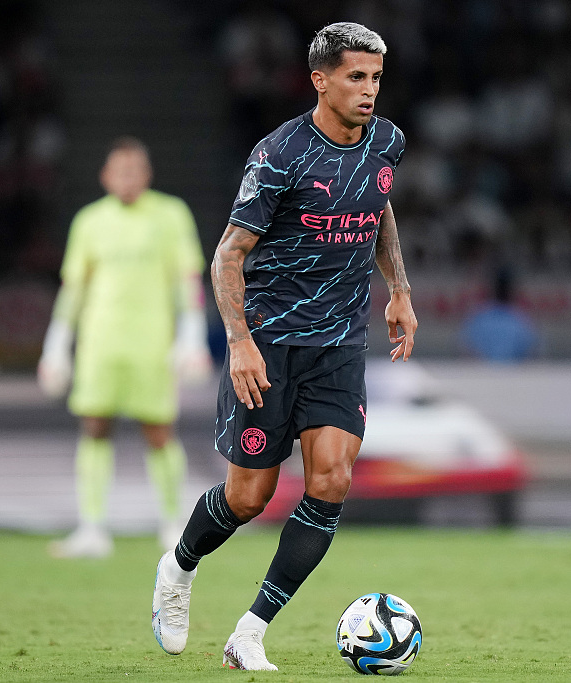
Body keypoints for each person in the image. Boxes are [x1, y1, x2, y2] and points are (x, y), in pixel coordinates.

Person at [151, 22, 417, 671]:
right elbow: (227, 257)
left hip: (337, 345)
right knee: (248, 497)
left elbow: (377, 203)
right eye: (356, 76)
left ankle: (250, 632)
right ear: (319, 79)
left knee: (331, 478)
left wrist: (399, 290)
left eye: (376, 77)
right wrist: (239, 342)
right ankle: (178, 567)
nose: (369, 91)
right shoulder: (280, 154)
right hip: (268, 345)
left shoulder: (386, 141)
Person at [37, 137, 212, 558]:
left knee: (159, 431)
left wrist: (191, 338)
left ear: (147, 175)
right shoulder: (89, 221)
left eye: (135, 170)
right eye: (120, 171)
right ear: (105, 176)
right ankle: (92, 529)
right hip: (99, 343)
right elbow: (73, 288)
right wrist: (55, 347)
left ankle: (173, 526)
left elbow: (187, 280)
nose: (128, 178)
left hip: (152, 342)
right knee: (94, 426)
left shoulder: (171, 214)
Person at [460, 267, 538, 362]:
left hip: (499, 374)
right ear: (511, 290)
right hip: (490, 375)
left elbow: (467, 352)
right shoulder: (521, 320)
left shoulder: (479, 317)